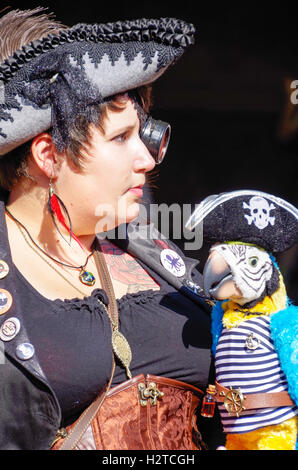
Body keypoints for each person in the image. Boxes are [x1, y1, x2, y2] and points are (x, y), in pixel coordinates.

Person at [0, 8, 223, 450]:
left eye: (143, 135)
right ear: (49, 155)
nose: (147, 158)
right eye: (121, 138)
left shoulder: (146, 245)